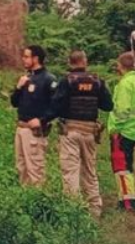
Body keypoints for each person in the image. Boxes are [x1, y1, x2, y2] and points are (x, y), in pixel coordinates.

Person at [45, 50, 113, 217]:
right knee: (90, 171)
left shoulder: (66, 81)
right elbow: (108, 106)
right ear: (85, 61)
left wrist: (42, 120)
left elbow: (56, 107)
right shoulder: (97, 81)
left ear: (70, 62)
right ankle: (95, 210)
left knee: (70, 171)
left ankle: (73, 212)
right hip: (90, 132)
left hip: (70, 131)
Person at [10, 45, 56, 186]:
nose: (23, 59)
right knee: (21, 167)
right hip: (21, 128)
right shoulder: (26, 78)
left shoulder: (48, 79)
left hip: (34, 132)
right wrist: (18, 87)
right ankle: (26, 201)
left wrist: (42, 120)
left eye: (26, 56)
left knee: (35, 169)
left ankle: (39, 201)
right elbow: (14, 103)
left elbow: (56, 106)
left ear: (35, 58)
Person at [109, 51, 135, 211]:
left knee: (122, 166)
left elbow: (122, 110)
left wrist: (115, 128)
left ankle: (127, 201)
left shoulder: (125, 84)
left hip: (124, 130)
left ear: (121, 66)